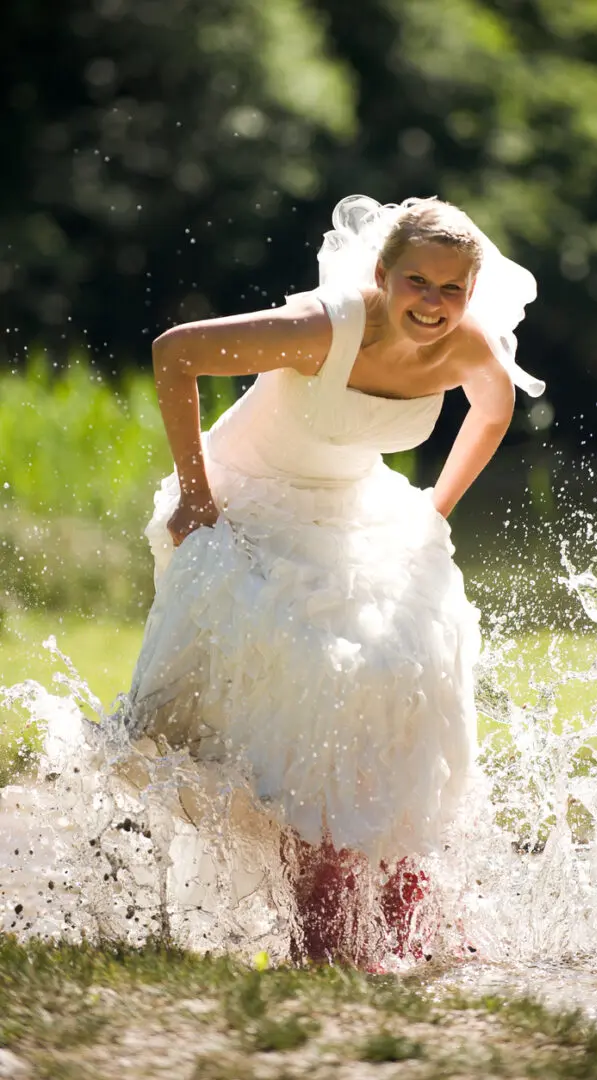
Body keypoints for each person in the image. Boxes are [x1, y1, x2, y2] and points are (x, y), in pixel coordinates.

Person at [123, 194, 544, 963]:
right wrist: (193, 495)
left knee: (412, 665)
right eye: (419, 282)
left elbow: (494, 408)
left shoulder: (467, 346)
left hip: (354, 509)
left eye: (453, 290)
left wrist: (436, 509)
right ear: (383, 275)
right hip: (246, 507)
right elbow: (175, 352)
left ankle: (403, 890)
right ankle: (322, 897)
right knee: (319, 676)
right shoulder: (327, 325)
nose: (435, 304)